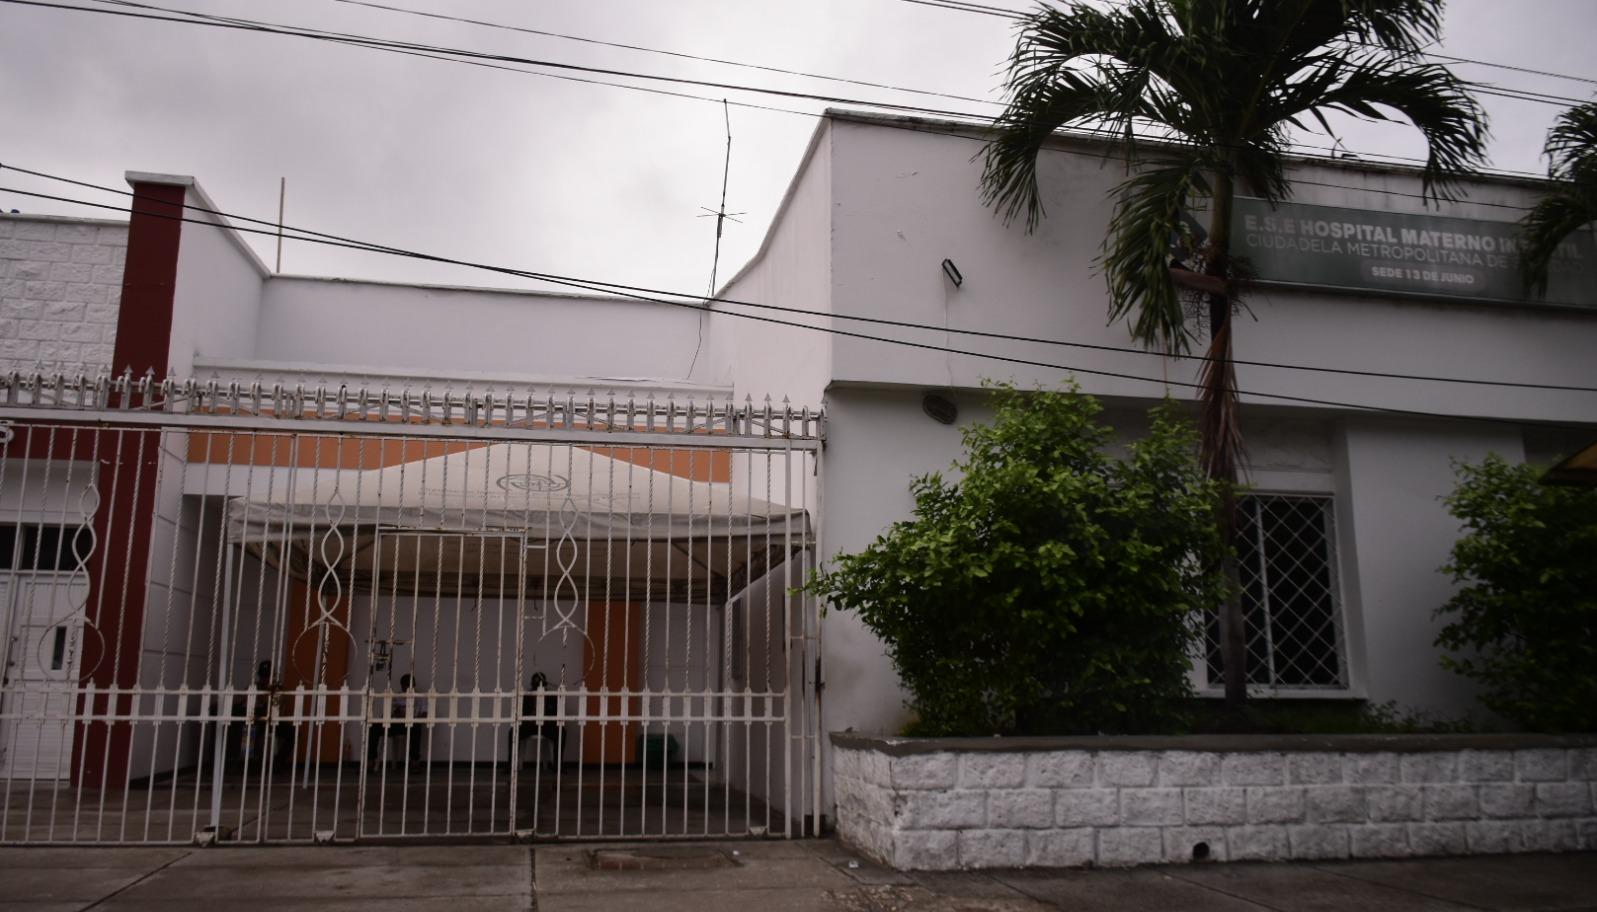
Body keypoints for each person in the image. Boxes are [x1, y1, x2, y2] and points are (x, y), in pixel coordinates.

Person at [512, 672, 564, 772]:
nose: (538, 688)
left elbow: (554, 712)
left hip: (545, 725)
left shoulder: (550, 696)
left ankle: (557, 766)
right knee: (513, 732)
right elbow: (522, 712)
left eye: (540, 685)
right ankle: (511, 765)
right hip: (529, 725)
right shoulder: (527, 696)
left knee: (562, 732)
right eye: (536, 685)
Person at [369, 673, 425, 766]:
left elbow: (424, 715)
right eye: (405, 685)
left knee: (416, 728)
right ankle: (370, 760)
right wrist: (394, 713)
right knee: (374, 727)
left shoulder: (420, 697)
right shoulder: (397, 697)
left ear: (414, 685)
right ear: (402, 686)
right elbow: (387, 714)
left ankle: (414, 761)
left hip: (411, 725)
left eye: (410, 685)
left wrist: (411, 717)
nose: (408, 688)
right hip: (395, 724)